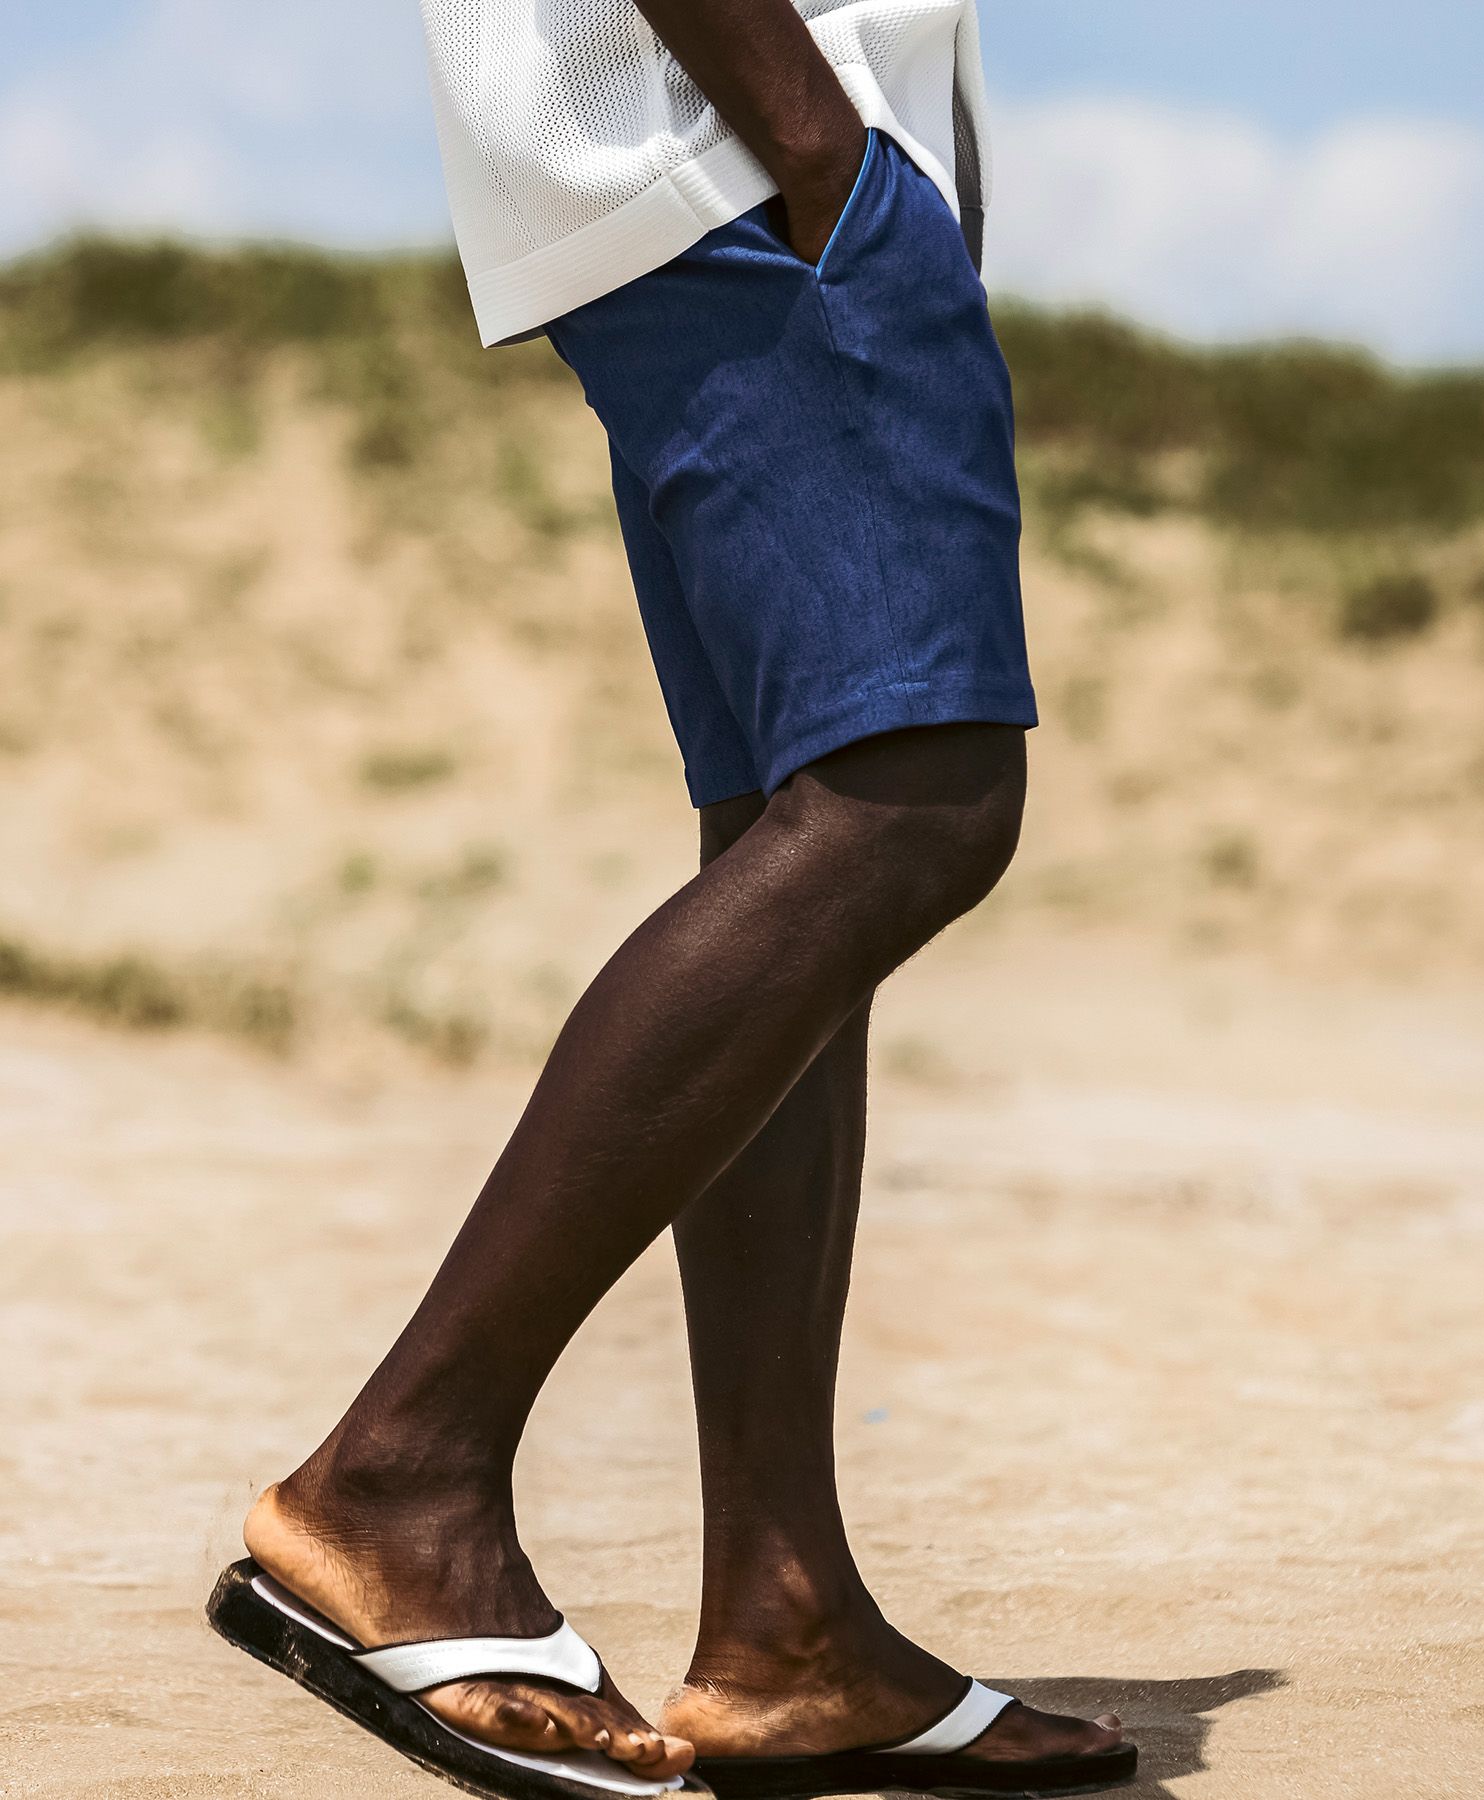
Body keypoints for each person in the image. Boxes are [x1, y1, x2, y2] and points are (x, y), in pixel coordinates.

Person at [207, 4, 1136, 1796]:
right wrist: (813, 136)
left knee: (801, 830)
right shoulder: (789, 156)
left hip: (706, 165)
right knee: (910, 802)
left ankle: (788, 1625)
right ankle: (403, 1475)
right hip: (749, 149)